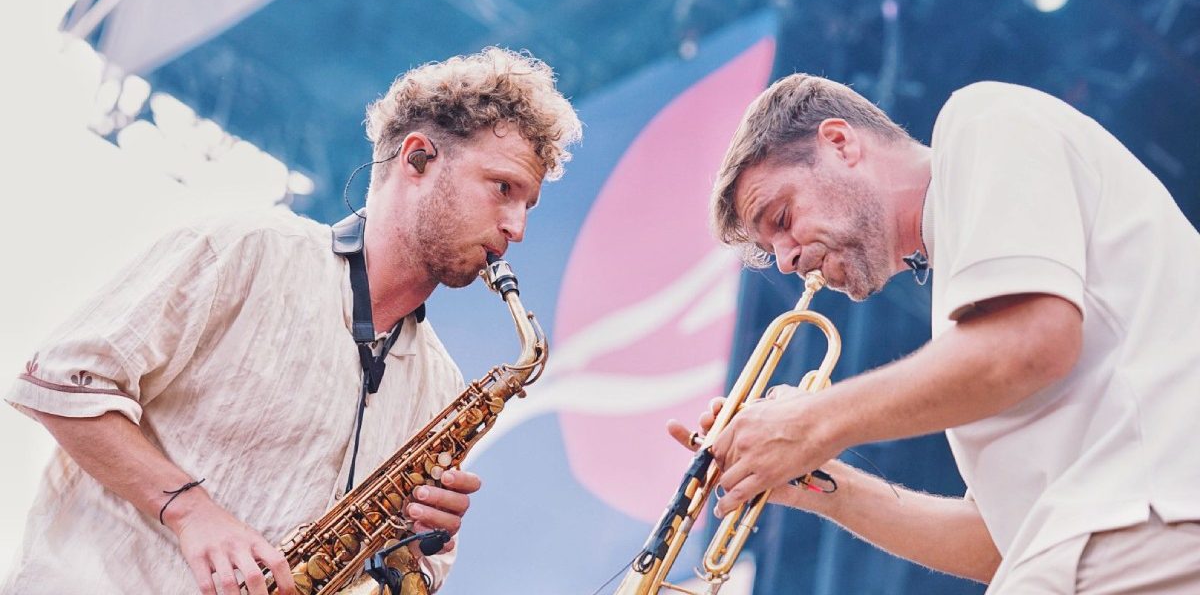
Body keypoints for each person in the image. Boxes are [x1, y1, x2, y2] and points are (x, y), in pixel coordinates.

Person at [3, 47, 582, 595]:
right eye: (502, 188)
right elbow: (61, 380)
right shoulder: (247, 250)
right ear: (417, 158)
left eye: (526, 205)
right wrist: (188, 508)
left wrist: (415, 546)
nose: (516, 228)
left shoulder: (440, 385)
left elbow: (406, 574)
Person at [669, 75, 1200, 592]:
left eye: (782, 217)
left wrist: (811, 422)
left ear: (839, 142)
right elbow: (998, 544)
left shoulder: (981, 119)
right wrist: (821, 480)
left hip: (1148, 531)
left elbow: (1031, 345)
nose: (786, 260)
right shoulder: (965, 287)